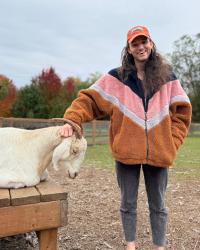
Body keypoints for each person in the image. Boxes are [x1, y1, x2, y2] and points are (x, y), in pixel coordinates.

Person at [59, 25, 192, 250]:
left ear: (151, 43)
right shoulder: (116, 78)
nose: (140, 47)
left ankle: (159, 247)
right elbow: (89, 100)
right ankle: (130, 245)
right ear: (129, 48)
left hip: (160, 153)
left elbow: (182, 112)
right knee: (128, 203)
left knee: (158, 205)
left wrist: (172, 142)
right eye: (135, 43)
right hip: (126, 152)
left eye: (144, 41)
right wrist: (72, 120)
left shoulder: (168, 77)